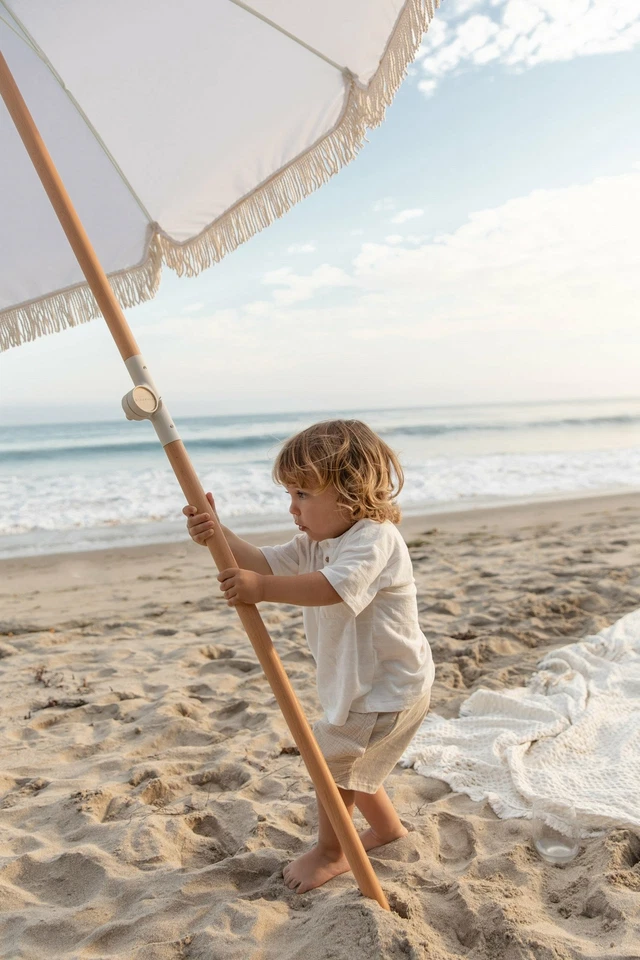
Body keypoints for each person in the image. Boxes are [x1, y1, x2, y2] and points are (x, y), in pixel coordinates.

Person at [183, 419, 434, 893]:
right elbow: (261, 562)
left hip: (386, 687)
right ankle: (385, 830)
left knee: (331, 762)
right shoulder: (318, 542)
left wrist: (262, 590)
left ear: (349, 491)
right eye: (290, 494)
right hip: (366, 683)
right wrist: (218, 534)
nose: (292, 508)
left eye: (302, 494)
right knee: (354, 761)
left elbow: (332, 589)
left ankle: (332, 851)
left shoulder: (374, 539)